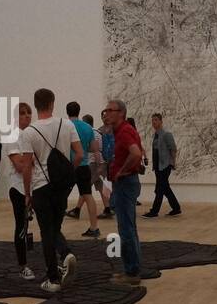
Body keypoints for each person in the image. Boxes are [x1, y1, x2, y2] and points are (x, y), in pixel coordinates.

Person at [14, 88, 81, 293]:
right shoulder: (66, 124)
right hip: (62, 187)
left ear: (36, 105)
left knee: (47, 231)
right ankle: (65, 255)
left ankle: (53, 278)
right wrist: (68, 173)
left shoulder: (29, 132)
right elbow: (79, 154)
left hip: (40, 187)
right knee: (55, 227)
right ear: (52, 103)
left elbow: (26, 167)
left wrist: (27, 193)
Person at [103, 99, 143, 285]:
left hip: (125, 183)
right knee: (129, 228)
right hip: (127, 183)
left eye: (111, 110)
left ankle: (131, 273)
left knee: (125, 229)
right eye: (106, 110)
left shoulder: (125, 131)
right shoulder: (122, 131)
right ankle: (132, 269)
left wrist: (122, 171)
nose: (107, 113)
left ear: (121, 113)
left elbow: (136, 153)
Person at [62, 101, 101, 236]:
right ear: (79, 111)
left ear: (67, 112)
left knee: (61, 195)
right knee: (88, 195)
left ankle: (56, 227)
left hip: (69, 166)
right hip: (84, 166)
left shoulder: (65, 126)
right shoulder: (87, 127)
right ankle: (94, 227)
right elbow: (94, 149)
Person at [7, 103, 35, 280]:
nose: (27, 116)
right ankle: (23, 265)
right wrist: (32, 161)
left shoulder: (31, 135)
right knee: (21, 227)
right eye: (23, 113)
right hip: (18, 188)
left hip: (34, 187)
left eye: (29, 113)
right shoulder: (12, 137)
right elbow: (20, 165)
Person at [144, 112, 181, 218]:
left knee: (160, 188)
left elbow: (173, 149)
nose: (154, 122)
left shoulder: (166, 134)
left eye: (156, 120)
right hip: (158, 166)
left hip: (165, 165)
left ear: (161, 121)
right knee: (165, 187)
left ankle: (154, 211)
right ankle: (176, 208)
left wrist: (173, 162)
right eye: (152, 120)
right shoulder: (155, 135)